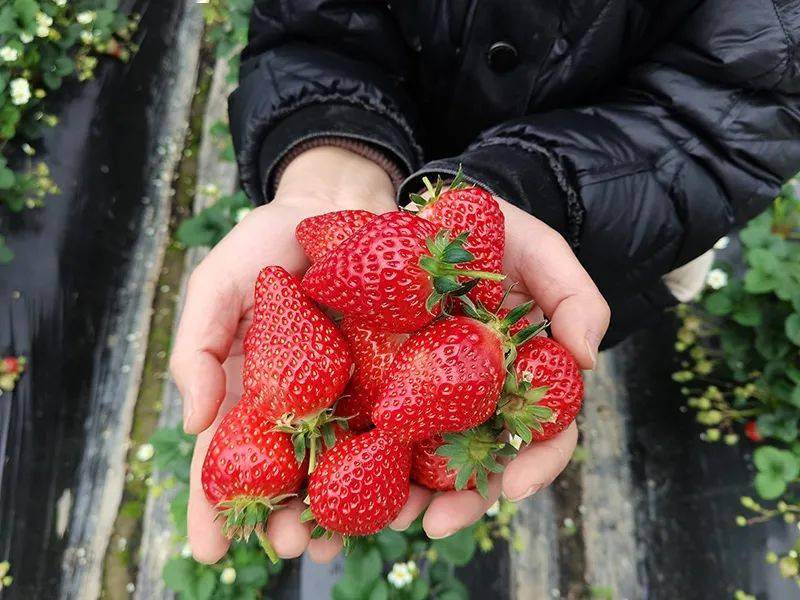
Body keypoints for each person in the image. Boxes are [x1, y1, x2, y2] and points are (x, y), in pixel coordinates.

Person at [170, 1, 800, 564]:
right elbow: (314, 20)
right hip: (426, 188)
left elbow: (737, 108)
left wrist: (538, 191)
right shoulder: (396, 335)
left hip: (610, 219)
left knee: (573, 324)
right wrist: (331, 155)